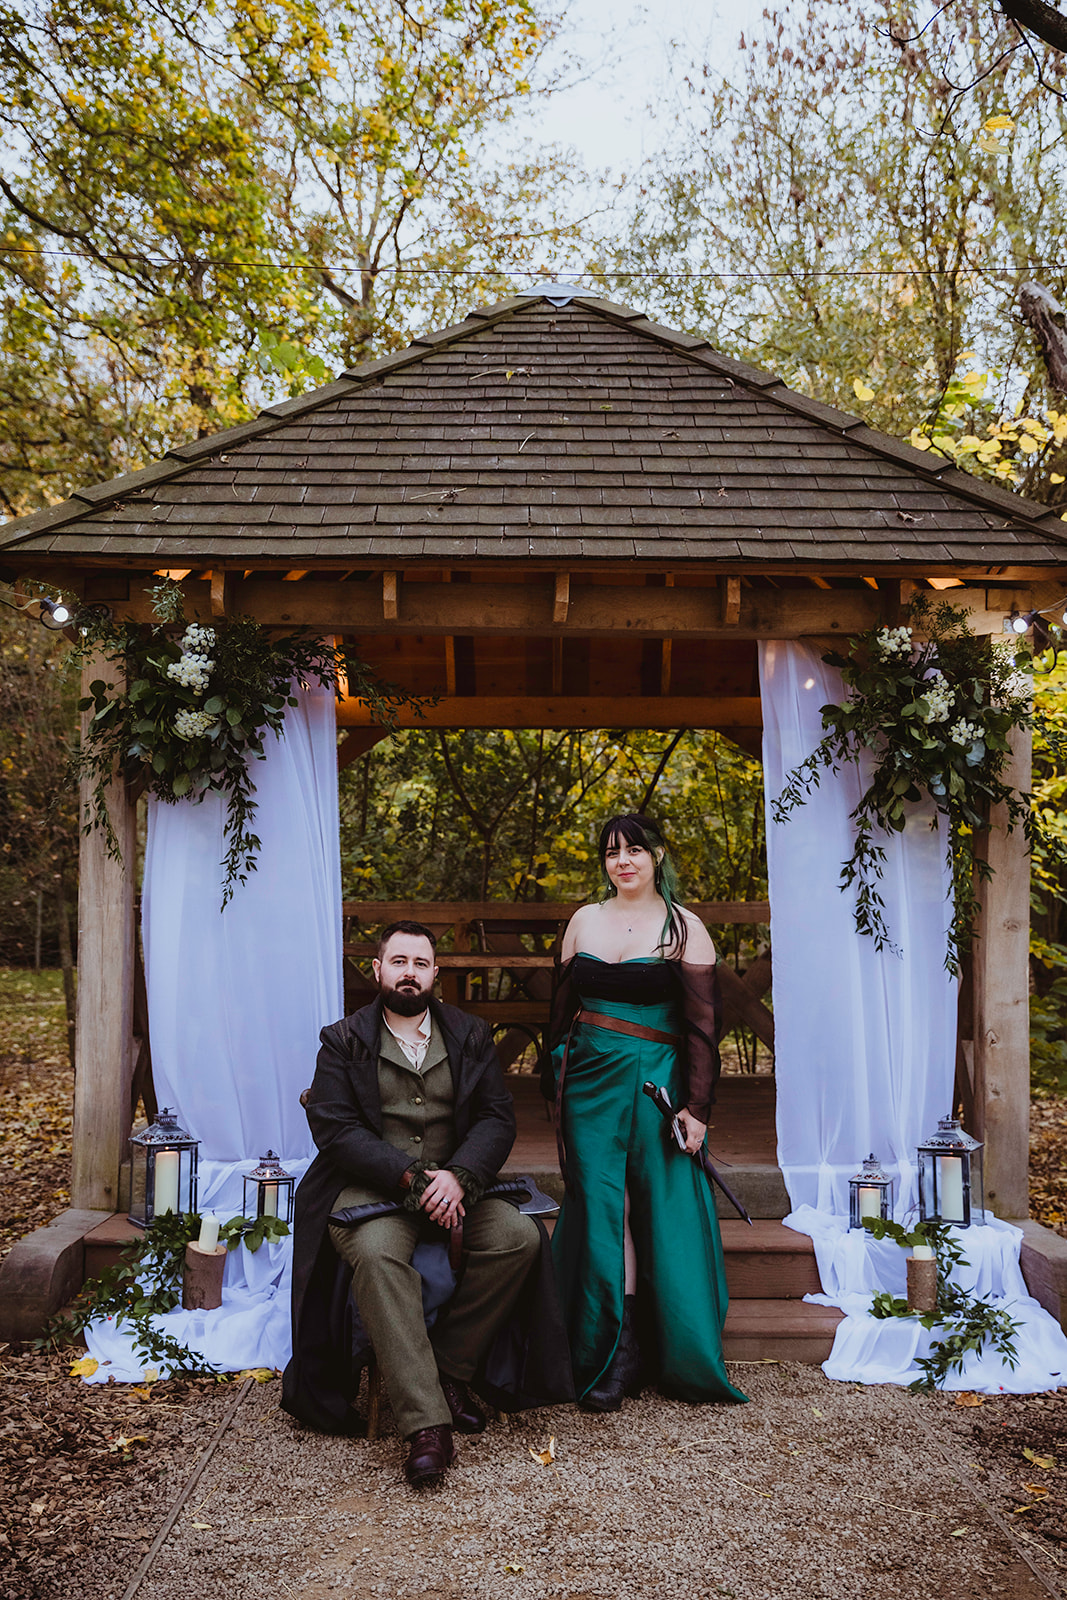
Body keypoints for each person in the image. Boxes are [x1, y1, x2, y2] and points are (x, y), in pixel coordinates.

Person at [283, 919, 572, 1486]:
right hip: (373, 1190)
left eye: (420, 964)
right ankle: (426, 1427)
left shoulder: (469, 1035)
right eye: (399, 962)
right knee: (378, 1254)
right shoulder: (343, 1040)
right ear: (379, 970)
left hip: (457, 1185)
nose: (409, 973)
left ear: (435, 973)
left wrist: (460, 1177)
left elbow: (496, 1117)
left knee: (518, 1237)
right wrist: (413, 1179)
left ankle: (450, 1366)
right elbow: (336, 1129)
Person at [544, 814, 747, 1411]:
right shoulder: (583, 920)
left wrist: (697, 1109)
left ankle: (654, 1349)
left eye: (635, 849)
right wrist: (554, 1076)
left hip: (654, 1083)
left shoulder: (685, 928)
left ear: (657, 855)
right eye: (611, 853)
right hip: (586, 1084)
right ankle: (610, 1348)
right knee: (603, 1206)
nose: (623, 861)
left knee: (649, 1204)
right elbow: (559, 1010)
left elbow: (703, 1031)